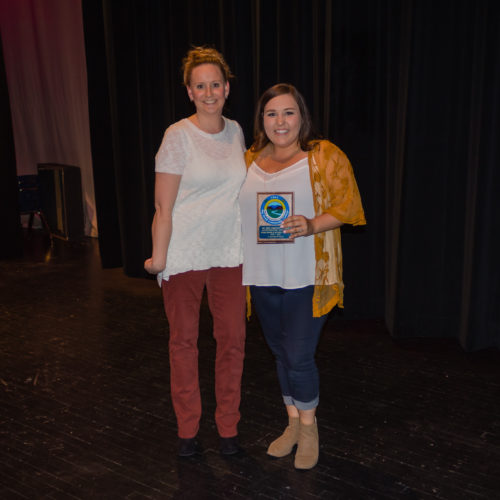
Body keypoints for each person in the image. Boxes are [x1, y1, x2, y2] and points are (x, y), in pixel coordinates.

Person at [239, 83, 366, 469]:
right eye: (272, 113)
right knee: (279, 352)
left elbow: (348, 206)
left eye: (288, 112)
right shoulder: (247, 160)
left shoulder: (323, 156)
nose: (280, 121)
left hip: (306, 274)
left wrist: (311, 224)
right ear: (262, 119)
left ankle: (309, 429)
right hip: (260, 274)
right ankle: (292, 422)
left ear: (301, 116)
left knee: (299, 355)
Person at [144, 46, 247, 457]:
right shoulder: (177, 136)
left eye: (215, 84)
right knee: (184, 343)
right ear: (189, 91)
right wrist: (158, 258)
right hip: (185, 254)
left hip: (229, 253)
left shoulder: (237, 130)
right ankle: (188, 429)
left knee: (233, 341)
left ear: (226, 87)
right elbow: (163, 207)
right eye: (200, 86)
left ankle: (228, 427)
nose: (209, 92)